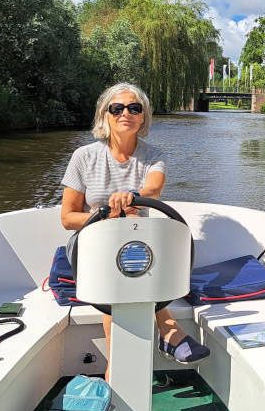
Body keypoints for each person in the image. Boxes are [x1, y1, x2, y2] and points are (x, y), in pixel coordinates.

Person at [60, 82, 209, 378]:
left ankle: (115, 370)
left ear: (143, 117)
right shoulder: (84, 157)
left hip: (137, 248)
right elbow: (68, 218)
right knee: (117, 261)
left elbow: (152, 189)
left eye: (134, 108)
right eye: (117, 108)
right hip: (91, 244)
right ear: (105, 116)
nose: (125, 113)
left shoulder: (154, 156)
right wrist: (102, 215)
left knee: (129, 255)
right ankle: (168, 330)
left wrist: (131, 195)